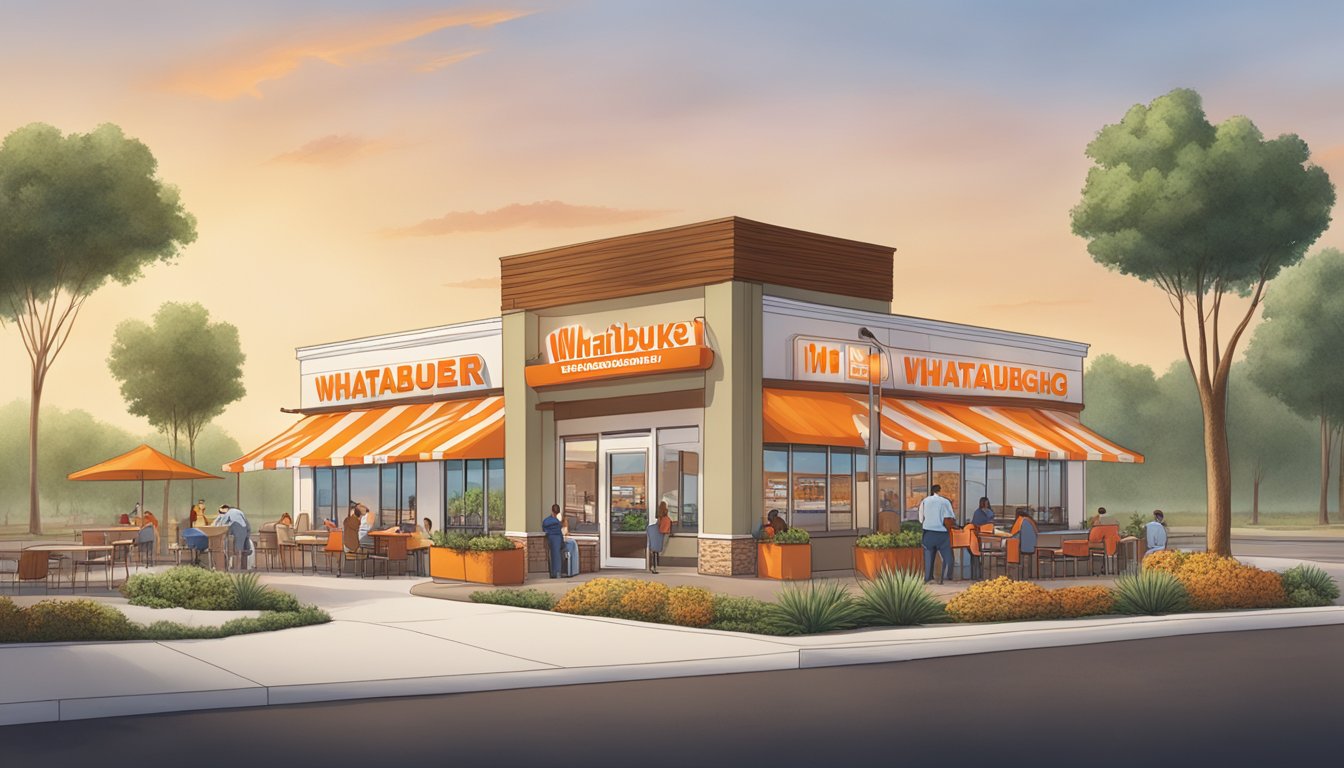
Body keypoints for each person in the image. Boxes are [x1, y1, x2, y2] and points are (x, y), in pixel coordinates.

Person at [918, 484, 955, 584]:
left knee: (928, 556)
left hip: (928, 532)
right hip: (942, 533)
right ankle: (947, 578)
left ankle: (928, 578)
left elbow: (921, 519)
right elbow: (951, 517)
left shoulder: (925, 501)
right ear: (940, 491)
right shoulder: (945, 501)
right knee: (947, 557)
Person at [215, 504, 252, 570]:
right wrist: (247, 535)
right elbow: (248, 525)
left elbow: (222, 523)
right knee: (241, 549)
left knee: (234, 549)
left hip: (236, 528)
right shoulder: (240, 512)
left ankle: (229, 567)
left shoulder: (229, 512)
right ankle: (240, 567)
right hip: (244, 529)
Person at [649, 502, 672, 574]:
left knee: (654, 551)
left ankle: (653, 566)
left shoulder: (659, 517)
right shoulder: (666, 518)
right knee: (660, 549)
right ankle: (654, 566)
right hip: (664, 534)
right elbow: (665, 528)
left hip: (657, 535)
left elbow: (658, 526)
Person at [542, 504, 565, 579]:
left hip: (549, 538)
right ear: (558, 512)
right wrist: (562, 543)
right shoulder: (558, 523)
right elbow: (560, 532)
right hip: (557, 538)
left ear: (552, 510)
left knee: (551, 555)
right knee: (557, 555)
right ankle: (557, 573)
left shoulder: (546, 521)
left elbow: (544, 530)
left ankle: (552, 573)